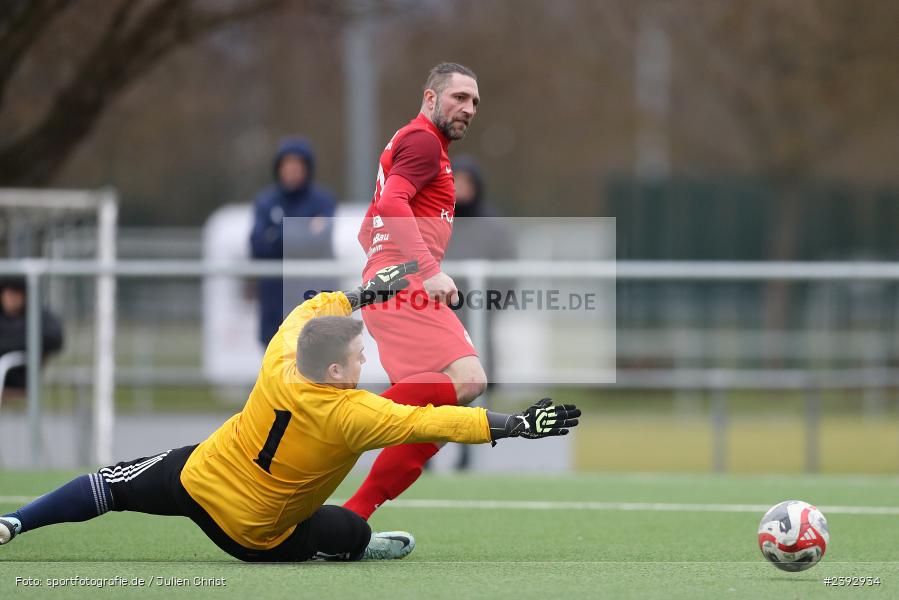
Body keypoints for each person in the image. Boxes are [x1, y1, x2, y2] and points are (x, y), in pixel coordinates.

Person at [0, 262, 580, 562]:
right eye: (359, 355)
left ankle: (13, 523)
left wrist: (365, 294)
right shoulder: (352, 413)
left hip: (198, 476)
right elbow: (438, 421)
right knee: (351, 534)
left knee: (107, 486)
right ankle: (348, 548)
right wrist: (519, 425)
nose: (365, 359)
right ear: (334, 372)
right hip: (255, 536)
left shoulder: (283, 350)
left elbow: (320, 307)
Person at [346, 62, 489, 519]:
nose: (467, 108)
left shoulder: (418, 143)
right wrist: (425, 268)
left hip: (388, 281)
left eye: (473, 102)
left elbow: (370, 225)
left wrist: (380, 264)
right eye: (458, 97)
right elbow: (390, 203)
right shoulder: (426, 141)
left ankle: (352, 512)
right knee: (467, 381)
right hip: (405, 282)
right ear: (430, 98)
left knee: (434, 406)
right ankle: (334, 429)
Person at [443, 156, 516, 469]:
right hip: (436, 323)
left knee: (473, 390)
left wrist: (485, 304)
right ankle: (426, 454)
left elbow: (507, 273)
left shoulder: (493, 227)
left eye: (466, 182)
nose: (461, 189)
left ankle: (467, 453)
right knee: (432, 390)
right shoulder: (434, 220)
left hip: (476, 323)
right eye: (455, 182)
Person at [250, 138, 338, 347]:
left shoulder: (323, 200)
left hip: (311, 298)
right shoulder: (265, 201)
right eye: (287, 164)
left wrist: (278, 232)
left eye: (297, 165)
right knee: (276, 366)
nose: (292, 170)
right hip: (275, 301)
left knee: (314, 367)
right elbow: (257, 246)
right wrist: (301, 232)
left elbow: (320, 242)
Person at [0, 277, 64, 390]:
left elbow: (54, 338)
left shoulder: (37, 315)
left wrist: (13, 345)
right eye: (7, 294)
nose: (10, 298)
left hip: (19, 374)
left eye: (15, 294)